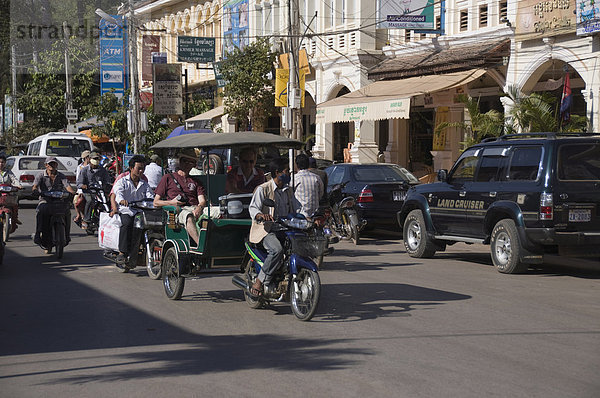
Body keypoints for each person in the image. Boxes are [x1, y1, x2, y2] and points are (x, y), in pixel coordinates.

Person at [248, 158, 296, 297]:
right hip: (266, 230)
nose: (289, 174)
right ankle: (260, 281)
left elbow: (295, 209)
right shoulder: (263, 189)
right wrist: (261, 216)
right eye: (287, 171)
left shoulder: (288, 191)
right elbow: (253, 209)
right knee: (277, 250)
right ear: (278, 173)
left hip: (286, 229)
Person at [153, 149, 207, 245]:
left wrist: (199, 207)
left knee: (218, 212)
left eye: (191, 162)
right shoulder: (168, 178)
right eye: (185, 161)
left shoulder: (196, 181)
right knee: (188, 216)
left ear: (194, 164)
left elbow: (202, 200)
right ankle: (201, 246)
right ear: (180, 161)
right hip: (178, 211)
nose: (187, 164)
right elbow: (156, 202)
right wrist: (171, 202)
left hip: (196, 208)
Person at [111, 155, 154, 267]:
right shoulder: (122, 181)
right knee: (127, 224)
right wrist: (121, 201)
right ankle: (122, 252)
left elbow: (150, 196)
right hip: (127, 210)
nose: (141, 171)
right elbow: (118, 193)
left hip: (140, 212)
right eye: (139, 168)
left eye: (143, 168)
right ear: (131, 168)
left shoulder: (144, 184)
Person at [32, 157, 76, 252]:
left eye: (54, 164)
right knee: (41, 211)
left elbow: (68, 186)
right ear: (46, 165)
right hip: (45, 200)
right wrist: (35, 191)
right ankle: (38, 233)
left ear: (57, 165)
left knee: (67, 212)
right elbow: (34, 187)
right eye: (50, 164)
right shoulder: (40, 175)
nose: (52, 166)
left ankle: (67, 235)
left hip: (59, 201)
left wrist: (73, 193)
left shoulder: (61, 176)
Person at [77, 151, 112, 226]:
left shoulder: (102, 170)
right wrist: (84, 186)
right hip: (88, 191)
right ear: (89, 159)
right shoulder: (84, 170)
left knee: (109, 200)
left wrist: (108, 185)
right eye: (94, 158)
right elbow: (79, 183)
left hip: (100, 191)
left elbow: (107, 180)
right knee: (90, 201)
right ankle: (86, 219)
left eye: (97, 158)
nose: (96, 160)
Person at [293, 153, 324, 218]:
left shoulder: (295, 179)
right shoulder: (316, 178)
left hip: (300, 214)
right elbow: (320, 193)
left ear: (296, 165)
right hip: (315, 214)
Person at [0, 154, 23, 231]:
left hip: (7, 194)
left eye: (2, 162)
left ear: (5, 163)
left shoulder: (9, 172)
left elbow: (14, 179)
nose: (1, 164)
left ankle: (15, 218)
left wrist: (18, 185)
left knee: (14, 203)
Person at [73, 150, 90, 226]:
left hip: (92, 188)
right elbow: (78, 181)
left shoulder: (93, 167)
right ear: (86, 158)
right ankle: (80, 215)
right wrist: (82, 186)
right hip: (82, 189)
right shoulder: (80, 167)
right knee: (77, 201)